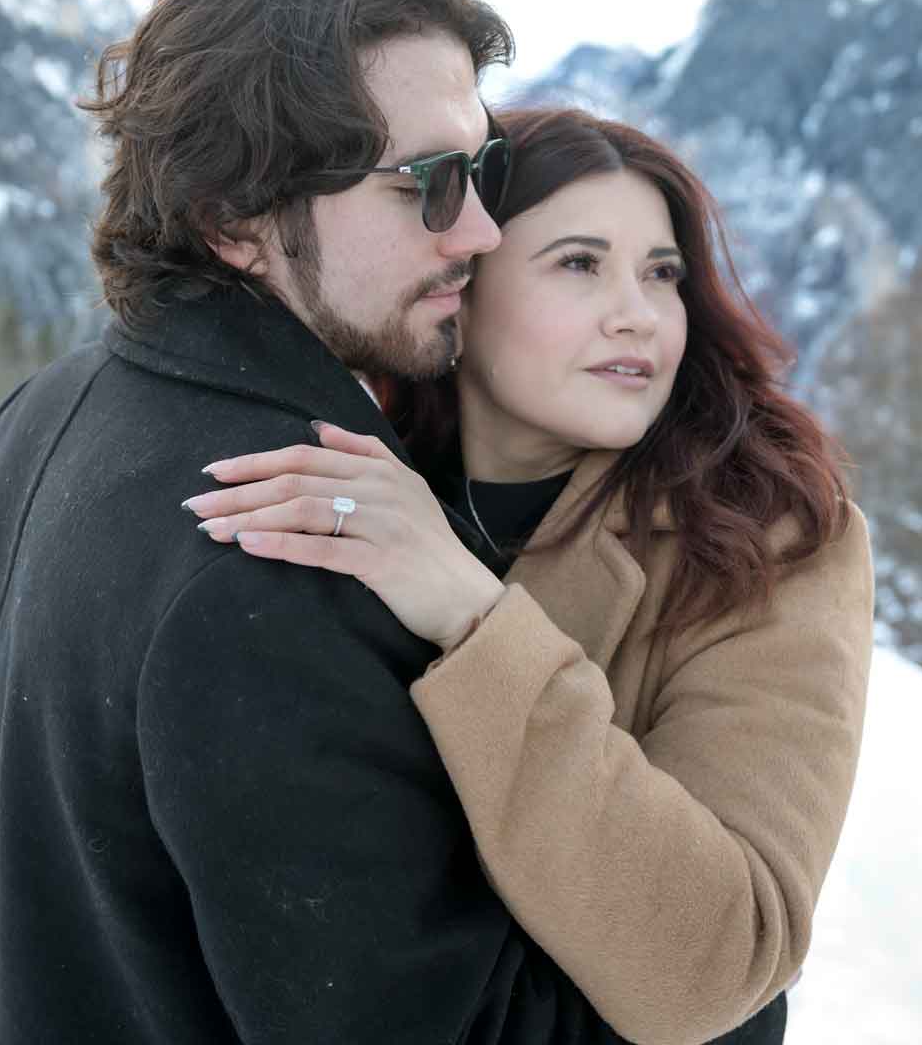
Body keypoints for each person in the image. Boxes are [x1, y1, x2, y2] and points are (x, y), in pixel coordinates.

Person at [0, 0, 767, 1042]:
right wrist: (736, 1007)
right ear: (234, 216)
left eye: (481, 168)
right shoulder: (291, 535)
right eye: (425, 180)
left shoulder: (40, 417)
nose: (479, 229)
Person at [182, 107, 876, 1044]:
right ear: (456, 286)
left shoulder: (770, 538)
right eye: (580, 264)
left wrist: (478, 621)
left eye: (661, 273)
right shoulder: (366, 483)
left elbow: (716, 963)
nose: (638, 312)